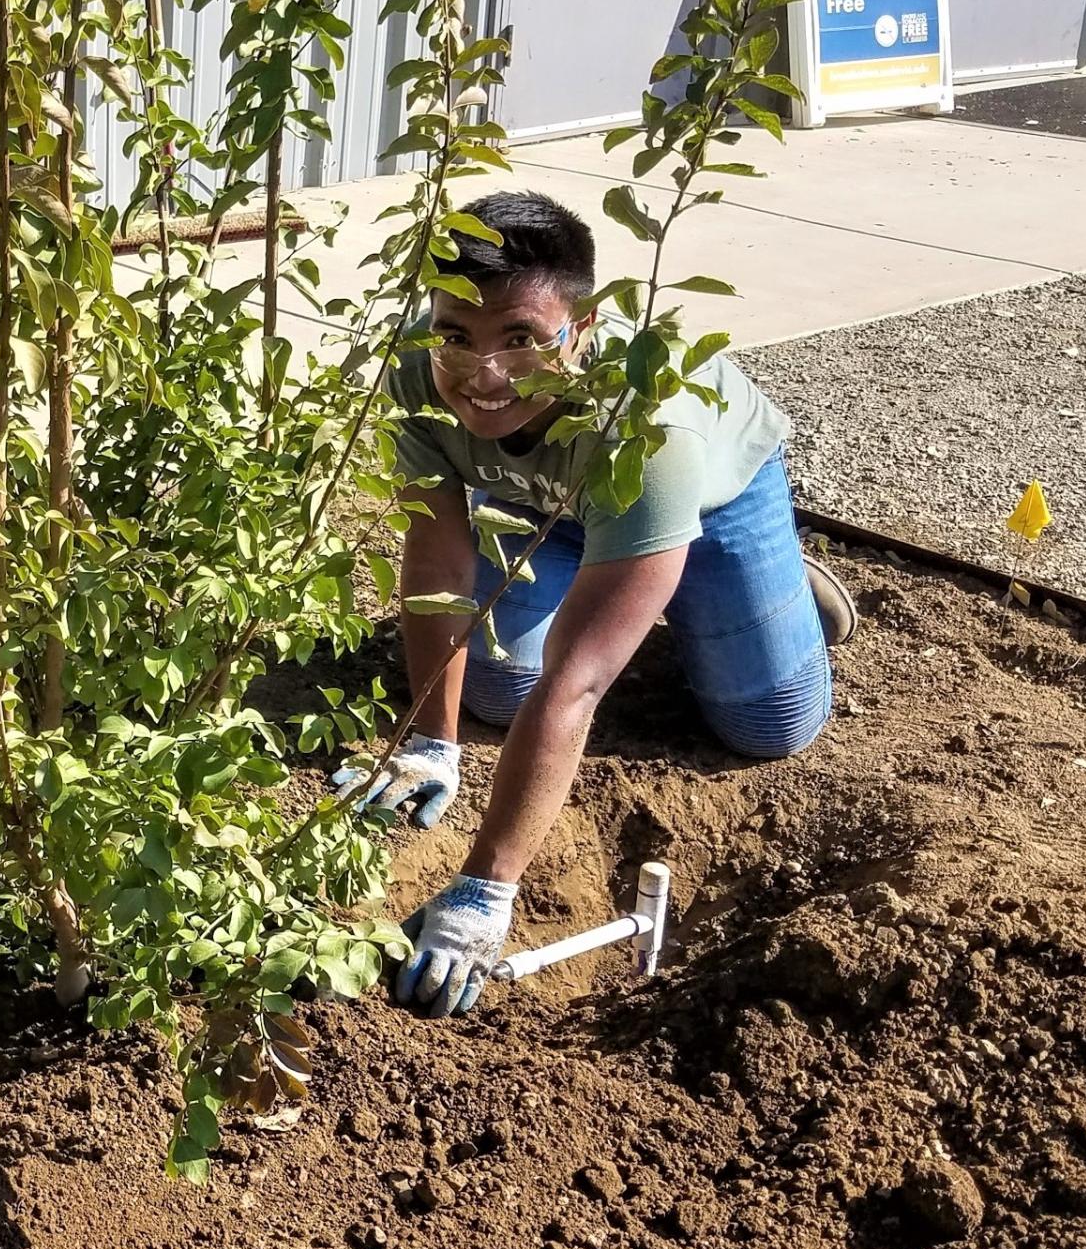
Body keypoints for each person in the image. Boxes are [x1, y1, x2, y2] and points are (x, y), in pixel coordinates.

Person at [346, 190, 854, 1018]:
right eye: (456, 336)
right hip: (556, 510)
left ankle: (758, 588)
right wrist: (430, 742)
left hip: (710, 499)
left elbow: (577, 684)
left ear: (578, 331)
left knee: (767, 723)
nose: (484, 373)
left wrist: (484, 887)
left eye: (521, 338)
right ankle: (627, 576)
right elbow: (437, 552)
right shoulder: (415, 373)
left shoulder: (651, 432)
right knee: (495, 691)